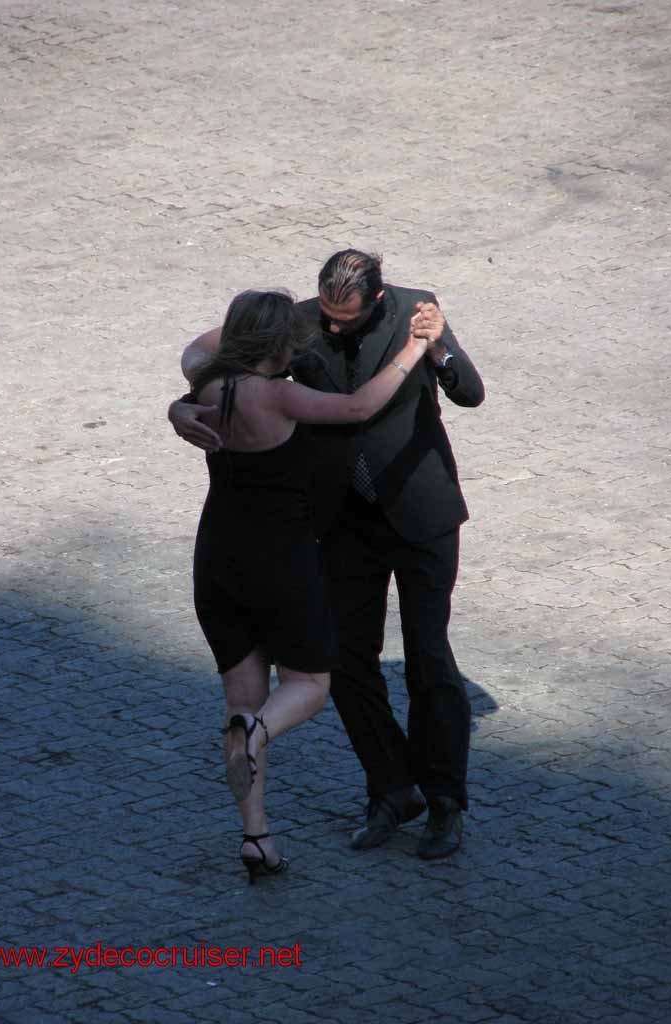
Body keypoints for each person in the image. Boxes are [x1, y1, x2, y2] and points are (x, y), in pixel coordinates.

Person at [170, 250, 484, 859]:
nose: (332, 328)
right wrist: (180, 405)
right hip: (342, 519)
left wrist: (438, 348)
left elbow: (469, 393)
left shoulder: (418, 310)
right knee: (345, 662)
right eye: (327, 316)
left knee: (428, 659)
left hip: (421, 514)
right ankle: (392, 788)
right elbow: (204, 354)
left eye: (346, 319)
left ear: (376, 297)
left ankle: (445, 802)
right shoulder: (298, 320)